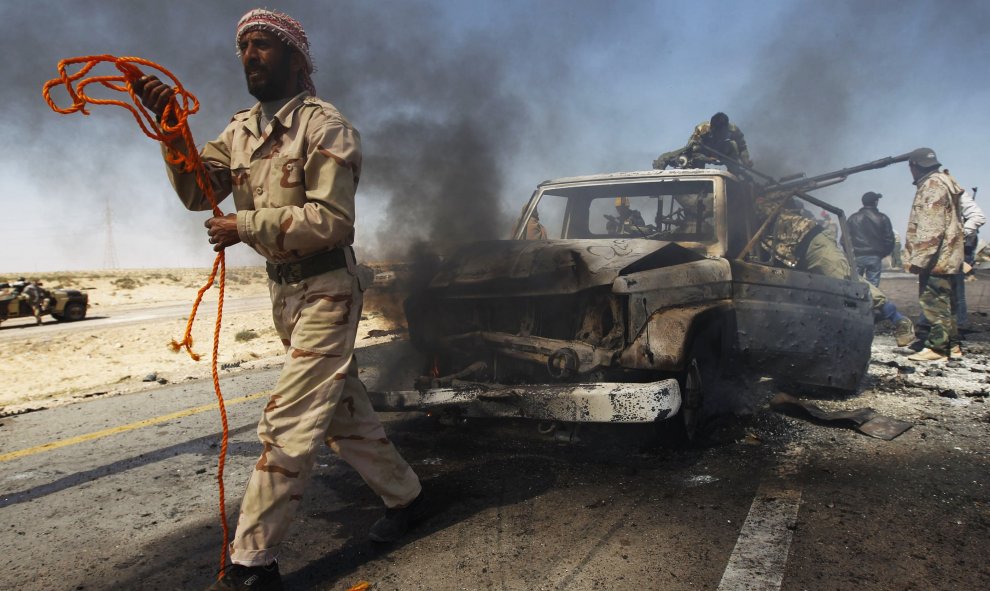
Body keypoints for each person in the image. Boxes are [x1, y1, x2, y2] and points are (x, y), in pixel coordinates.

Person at [134, 9, 422, 590]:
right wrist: (170, 127)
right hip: (285, 293)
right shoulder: (238, 131)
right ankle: (409, 498)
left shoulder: (325, 126)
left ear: (295, 59)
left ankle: (252, 563)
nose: (250, 57)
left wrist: (246, 226)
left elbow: (333, 221)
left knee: (288, 421)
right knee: (341, 414)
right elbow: (198, 189)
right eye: (243, 49)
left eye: (263, 46)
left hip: (328, 290)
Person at [753, 189, 914, 346]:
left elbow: (784, 196)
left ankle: (898, 319)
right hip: (795, 253)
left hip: (811, 243)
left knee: (847, 280)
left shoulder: (762, 199)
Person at [903, 148, 965, 362]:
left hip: (937, 258)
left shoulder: (932, 186)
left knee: (933, 302)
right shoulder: (944, 180)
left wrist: (919, 260)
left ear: (915, 165)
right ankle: (953, 346)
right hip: (947, 256)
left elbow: (931, 228)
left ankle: (937, 349)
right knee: (945, 303)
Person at [846, 191, 895, 287]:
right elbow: (889, 239)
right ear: (876, 202)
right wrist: (882, 254)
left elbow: (845, 239)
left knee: (854, 286)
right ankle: (871, 301)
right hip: (875, 257)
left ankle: (856, 302)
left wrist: (850, 253)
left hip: (856, 256)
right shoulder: (883, 218)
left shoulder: (852, 218)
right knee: (873, 287)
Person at [686, 112, 752, 167]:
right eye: (715, 131)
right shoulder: (702, 129)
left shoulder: (733, 130)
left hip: (722, 150)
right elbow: (692, 151)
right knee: (694, 161)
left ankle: (735, 173)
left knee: (733, 146)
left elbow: (742, 147)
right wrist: (707, 159)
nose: (717, 134)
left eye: (720, 131)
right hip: (705, 150)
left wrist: (745, 160)